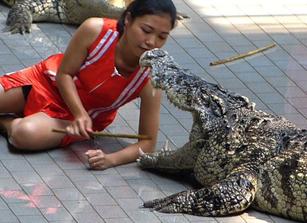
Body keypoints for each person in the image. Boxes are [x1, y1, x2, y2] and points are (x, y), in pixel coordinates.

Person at [0, 0, 177, 170]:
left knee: (24, 134)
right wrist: (80, 113)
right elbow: (64, 74)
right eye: (146, 30)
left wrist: (110, 160)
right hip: (46, 82)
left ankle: (7, 123)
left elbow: (148, 141)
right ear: (128, 19)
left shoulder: (152, 77)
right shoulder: (95, 29)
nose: (152, 42)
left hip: (71, 120)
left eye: (162, 36)